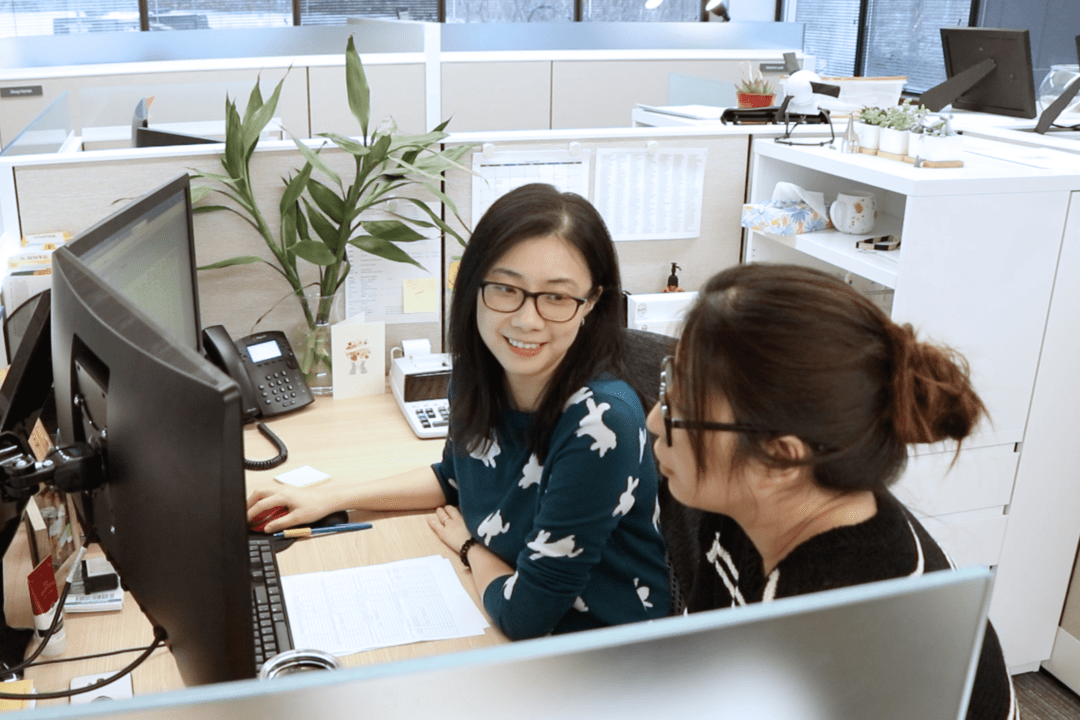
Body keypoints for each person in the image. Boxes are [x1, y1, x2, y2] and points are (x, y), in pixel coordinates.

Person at [248, 183, 670, 639]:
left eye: (556, 297)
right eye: (507, 289)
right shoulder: (480, 372)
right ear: (473, 287)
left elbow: (525, 619)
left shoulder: (600, 423)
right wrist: (334, 497)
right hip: (508, 615)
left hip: (602, 654)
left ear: (591, 304)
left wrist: (472, 548)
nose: (527, 320)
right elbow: (454, 476)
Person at [648, 263, 1015, 720]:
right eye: (669, 385)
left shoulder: (834, 632)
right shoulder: (751, 504)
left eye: (679, 409)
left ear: (781, 456)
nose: (654, 421)